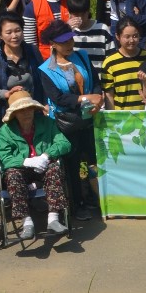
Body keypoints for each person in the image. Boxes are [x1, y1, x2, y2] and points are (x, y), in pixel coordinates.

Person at [37, 21, 103, 216]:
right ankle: (77, 205)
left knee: (94, 160)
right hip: (67, 124)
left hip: (89, 119)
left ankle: (98, 199)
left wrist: (97, 99)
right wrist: (85, 98)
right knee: (72, 165)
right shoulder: (46, 69)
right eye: (63, 42)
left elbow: (95, 82)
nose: (69, 44)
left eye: (70, 39)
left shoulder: (82, 56)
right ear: (53, 44)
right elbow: (58, 98)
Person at [0, 88, 71, 241]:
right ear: (14, 113)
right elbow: (4, 156)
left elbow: (64, 143)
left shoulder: (47, 123)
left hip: (43, 168)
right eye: (21, 110)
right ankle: (27, 222)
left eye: (29, 108)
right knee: (12, 175)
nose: (26, 113)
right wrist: (25, 161)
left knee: (54, 168)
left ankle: (53, 219)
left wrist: (46, 155)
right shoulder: (5, 131)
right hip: (20, 170)